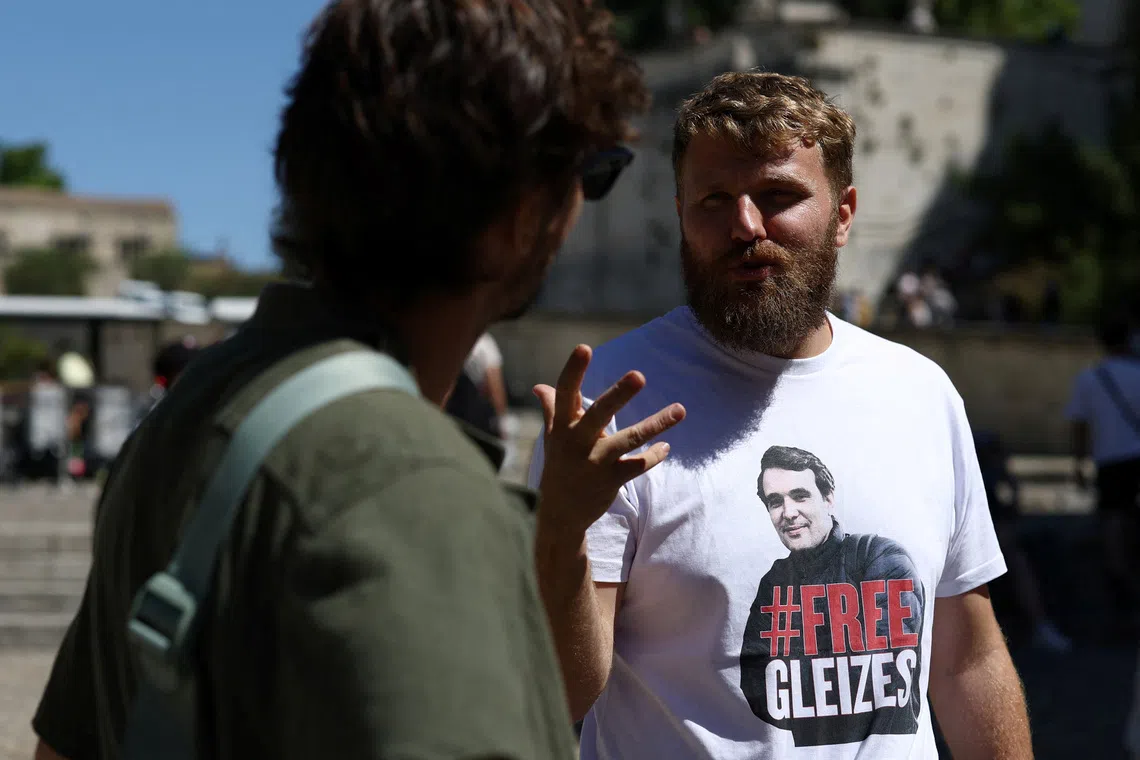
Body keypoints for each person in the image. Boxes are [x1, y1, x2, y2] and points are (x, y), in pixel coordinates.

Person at [31, 1, 649, 758]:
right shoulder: (410, 488)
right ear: (523, 209)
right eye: (594, 173)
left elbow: (62, 748)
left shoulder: (191, 413)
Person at [528, 71, 1030, 759]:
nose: (745, 226)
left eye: (778, 196)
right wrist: (560, 532)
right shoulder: (613, 405)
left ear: (843, 213)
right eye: (714, 200)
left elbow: (966, 659)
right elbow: (561, 694)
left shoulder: (920, 393)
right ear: (680, 213)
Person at [741, 446, 926, 745]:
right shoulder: (773, 581)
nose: (788, 513)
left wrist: (795, 677)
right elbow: (753, 683)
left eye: (800, 496)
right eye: (775, 502)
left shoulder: (881, 557)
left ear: (828, 499)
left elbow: (883, 672)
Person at [1065, 313, 1140, 631]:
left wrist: (1079, 464)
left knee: (1112, 519)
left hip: (1109, 459)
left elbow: (1079, 425)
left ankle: (1119, 579)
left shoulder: (1090, 378)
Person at [973, 429, 1072, 653]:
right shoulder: (979, 481)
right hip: (979, 547)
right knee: (1017, 561)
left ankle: (1038, 623)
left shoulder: (992, 483)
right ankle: (1038, 623)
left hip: (996, 542)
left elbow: (1010, 511)